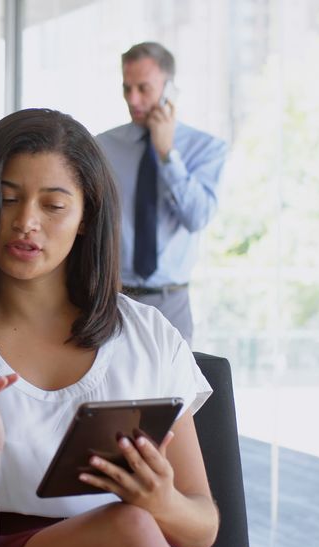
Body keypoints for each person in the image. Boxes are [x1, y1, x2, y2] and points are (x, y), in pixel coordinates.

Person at [0, 109, 219, 547]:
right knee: (130, 527)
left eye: (53, 206)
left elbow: (202, 530)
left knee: (133, 525)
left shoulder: (148, 336)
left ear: (85, 217)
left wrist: (159, 499)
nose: (26, 223)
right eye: (7, 199)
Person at [95, 41, 228, 345]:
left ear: (169, 89)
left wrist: (167, 153)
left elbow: (197, 217)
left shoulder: (206, 149)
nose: (133, 99)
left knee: (176, 391)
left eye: (144, 88)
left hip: (172, 302)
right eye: (127, 88)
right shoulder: (101, 148)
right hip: (112, 299)